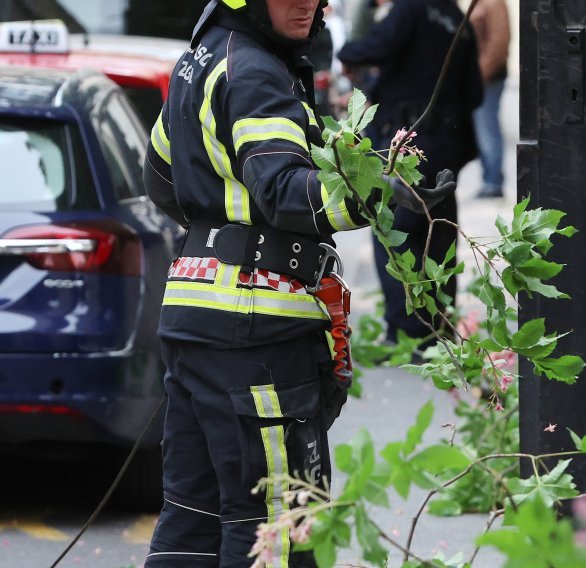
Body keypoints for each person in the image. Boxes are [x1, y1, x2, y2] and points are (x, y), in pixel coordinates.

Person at [141, 0, 455, 566]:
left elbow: (161, 175)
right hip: (255, 340)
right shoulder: (258, 70)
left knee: (193, 527)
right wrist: (379, 189)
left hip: (196, 321)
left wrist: (221, 223)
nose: (308, 0)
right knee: (281, 529)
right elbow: (285, 190)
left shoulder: (201, 59)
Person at [337, 0, 483, 349]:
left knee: (396, 232)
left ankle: (406, 333)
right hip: (447, 139)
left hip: (409, 137)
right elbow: (474, 92)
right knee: (440, 232)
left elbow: (372, 47)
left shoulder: (410, 7)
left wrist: (351, 44)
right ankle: (437, 327)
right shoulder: (457, 19)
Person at [470, 0, 511, 199]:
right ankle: (490, 178)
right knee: (484, 128)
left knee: (487, 128)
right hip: (481, 76)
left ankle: (492, 181)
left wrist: (480, 75)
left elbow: (498, 42)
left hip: (488, 78)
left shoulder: (493, 3)